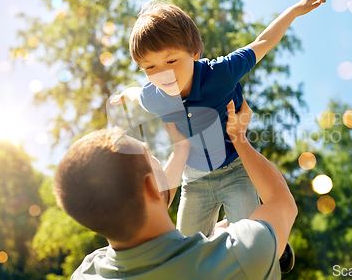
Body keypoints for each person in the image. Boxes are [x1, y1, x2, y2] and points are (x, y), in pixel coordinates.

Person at [110, 0, 325, 237]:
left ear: (194, 52)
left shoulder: (222, 73)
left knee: (248, 239)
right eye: (150, 67)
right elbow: (137, 93)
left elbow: (263, 41)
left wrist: (295, 10)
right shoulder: (155, 97)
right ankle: (221, 229)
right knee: (189, 249)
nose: (162, 74)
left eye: (171, 60)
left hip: (235, 169)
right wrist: (124, 95)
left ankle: (274, 243)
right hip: (195, 180)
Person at [54, 98, 298, 279]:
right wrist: (239, 138)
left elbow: (144, 205)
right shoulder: (242, 256)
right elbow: (282, 203)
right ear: (151, 187)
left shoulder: (88, 271)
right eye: (149, 154)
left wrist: (181, 148)